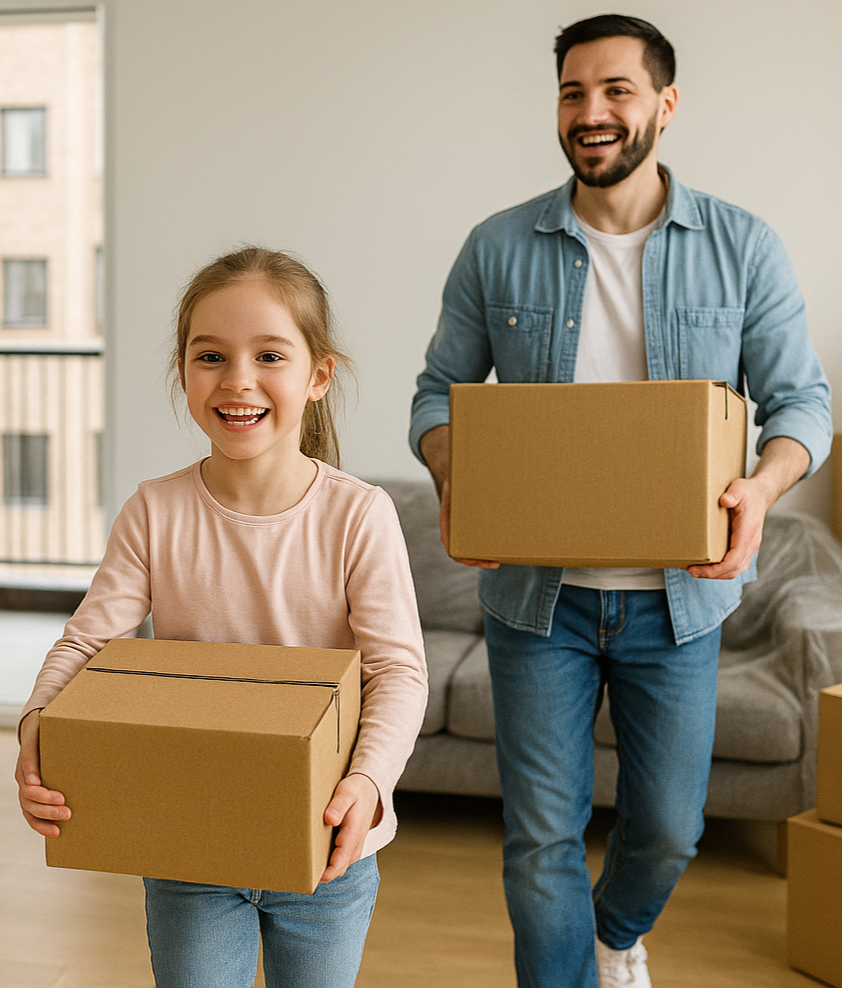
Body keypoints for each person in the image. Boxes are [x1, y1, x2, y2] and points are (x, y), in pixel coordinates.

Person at [410, 14, 831, 988]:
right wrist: (453, 466)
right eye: (571, 92)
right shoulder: (497, 246)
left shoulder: (740, 245)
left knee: (669, 828)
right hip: (535, 602)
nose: (589, 112)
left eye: (614, 91)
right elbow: (436, 391)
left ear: (663, 105)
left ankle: (613, 933)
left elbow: (801, 397)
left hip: (675, 599)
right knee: (539, 837)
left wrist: (760, 487)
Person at [16, 246, 428, 988]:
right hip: (189, 843)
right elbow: (89, 642)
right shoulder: (155, 510)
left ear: (318, 376)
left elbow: (398, 671)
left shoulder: (359, 515)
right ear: (183, 373)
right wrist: (37, 724)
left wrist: (367, 782)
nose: (238, 380)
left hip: (330, 846)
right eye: (212, 356)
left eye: (269, 354)